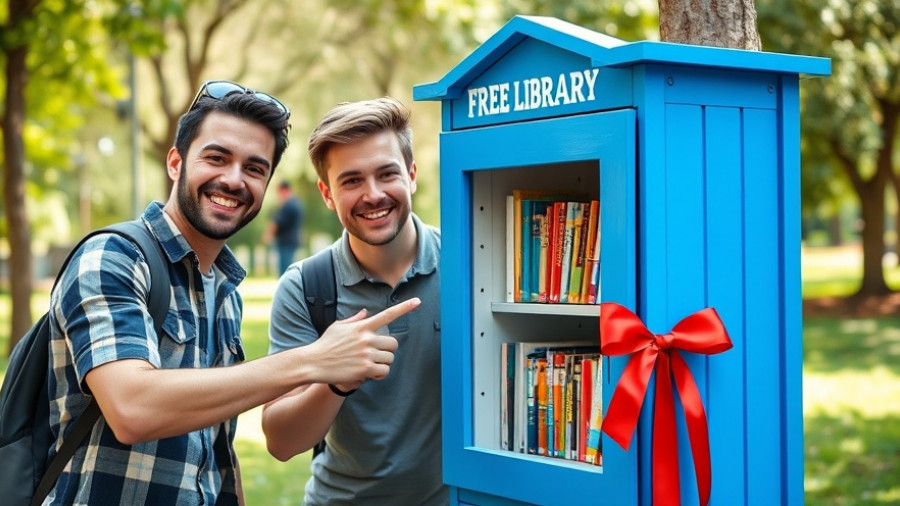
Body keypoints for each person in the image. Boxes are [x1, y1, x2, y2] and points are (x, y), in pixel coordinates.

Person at [46, 81, 417, 505]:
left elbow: (216, 452)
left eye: (255, 168)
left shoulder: (223, 291)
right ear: (175, 162)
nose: (234, 179)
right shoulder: (112, 257)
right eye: (217, 158)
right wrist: (314, 361)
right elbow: (132, 409)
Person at [262, 97, 445, 505]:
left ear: (412, 175)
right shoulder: (306, 287)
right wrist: (336, 378)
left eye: (387, 174)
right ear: (327, 194)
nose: (373, 194)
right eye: (352, 181)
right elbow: (281, 441)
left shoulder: (468, 262)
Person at [262, 180, 304, 275]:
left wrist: (268, 235)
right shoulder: (296, 203)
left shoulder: (289, 205)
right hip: (291, 242)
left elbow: (276, 223)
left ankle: (285, 289)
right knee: (288, 268)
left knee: (284, 272)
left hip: (286, 243)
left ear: (284, 190)